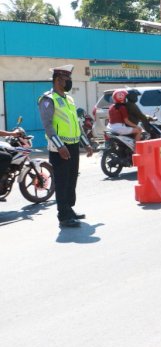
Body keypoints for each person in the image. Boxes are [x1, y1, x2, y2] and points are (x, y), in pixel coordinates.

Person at [38, 65, 93, 228]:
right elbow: (47, 126)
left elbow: (76, 123)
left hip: (74, 145)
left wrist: (86, 143)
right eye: (66, 80)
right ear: (57, 80)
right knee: (62, 182)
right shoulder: (48, 99)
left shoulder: (69, 99)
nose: (69, 82)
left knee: (71, 180)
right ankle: (63, 215)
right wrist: (60, 147)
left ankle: (69, 210)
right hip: (59, 148)